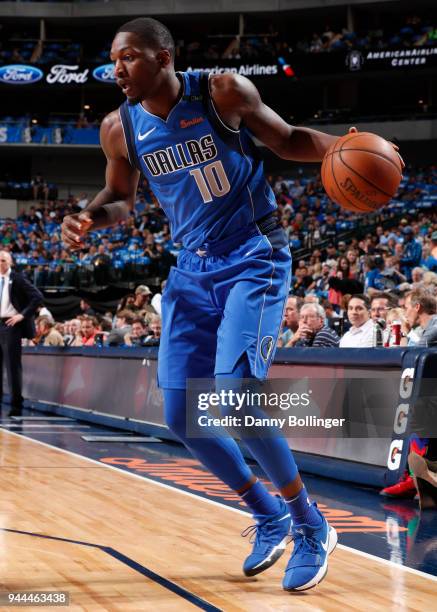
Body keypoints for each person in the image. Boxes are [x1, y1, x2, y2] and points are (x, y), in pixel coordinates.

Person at [60, 17, 400, 592]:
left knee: (237, 393)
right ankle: (266, 514)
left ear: (163, 55)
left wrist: (340, 148)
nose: (117, 69)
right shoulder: (119, 128)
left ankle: (310, 524)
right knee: (179, 414)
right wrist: (91, 216)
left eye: (129, 57)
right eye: (113, 60)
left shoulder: (221, 92)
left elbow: (286, 139)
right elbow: (121, 196)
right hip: (190, 269)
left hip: (254, 254)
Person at [0, 250, 43, 414]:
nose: (0, 263)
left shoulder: (17, 278)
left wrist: (22, 315)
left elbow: (37, 297)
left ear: (10, 262)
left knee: (12, 365)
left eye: (3, 260)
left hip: (11, 324)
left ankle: (16, 403)